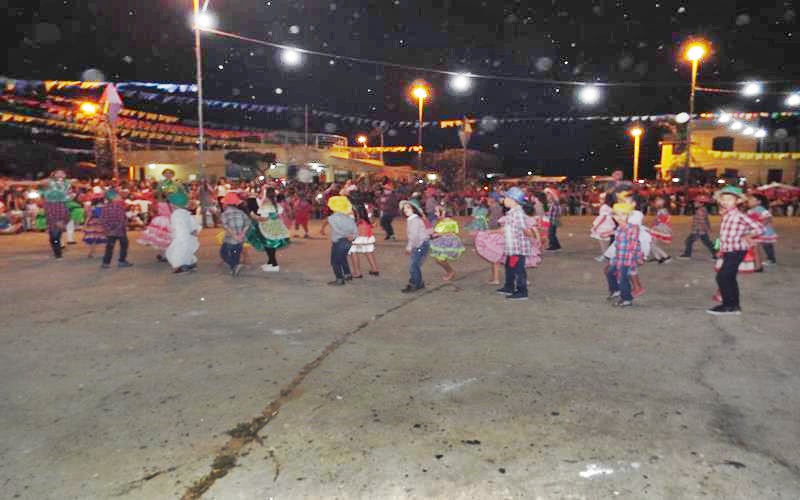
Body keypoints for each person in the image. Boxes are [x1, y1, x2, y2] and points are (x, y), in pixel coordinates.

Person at [706, 186, 764, 316]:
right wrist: (719, 248)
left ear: (737, 201)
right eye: (723, 199)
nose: (725, 201)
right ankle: (733, 305)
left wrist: (749, 236)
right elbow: (725, 234)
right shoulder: (726, 214)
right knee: (728, 277)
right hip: (729, 250)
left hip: (736, 250)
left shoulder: (739, 215)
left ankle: (729, 306)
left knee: (723, 277)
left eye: (729, 199)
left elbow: (760, 228)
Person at [496, 187, 534, 301]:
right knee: (510, 266)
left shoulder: (517, 213)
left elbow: (525, 229)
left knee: (518, 269)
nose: (504, 200)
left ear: (513, 200)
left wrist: (532, 237)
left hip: (518, 247)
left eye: (506, 197)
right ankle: (509, 286)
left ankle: (522, 291)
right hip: (512, 247)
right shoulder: (512, 212)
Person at [605, 202, 642, 308]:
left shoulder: (633, 228)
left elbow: (635, 244)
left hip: (627, 258)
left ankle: (626, 299)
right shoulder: (619, 227)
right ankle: (615, 290)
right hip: (618, 257)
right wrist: (607, 233)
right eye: (617, 214)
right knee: (610, 272)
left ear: (628, 215)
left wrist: (638, 257)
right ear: (613, 216)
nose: (620, 217)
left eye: (623, 214)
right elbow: (617, 234)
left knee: (622, 278)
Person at [253, 187, 290, 272]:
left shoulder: (266, 204)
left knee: (269, 246)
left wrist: (254, 216)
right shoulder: (275, 204)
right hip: (276, 225)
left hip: (267, 226)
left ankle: (274, 264)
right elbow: (279, 213)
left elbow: (264, 218)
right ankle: (270, 262)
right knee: (271, 246)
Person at [165, 191, 201, 274]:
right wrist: (194, 230)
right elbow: (193, 224)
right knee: (187, 252)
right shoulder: (185, 212)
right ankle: (191, 264)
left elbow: (178, 228)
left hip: (181, 238)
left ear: (174, 205)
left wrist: (177, 237)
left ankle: (181, 267)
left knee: (175, 253)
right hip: (189, 237)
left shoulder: (176, 214)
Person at [400, 198, 430, 293]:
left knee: (414, 266)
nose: (405, 210)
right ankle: (418, 282)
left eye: (408, 208)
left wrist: (409, 247)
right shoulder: (412, 219)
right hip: (419, 244)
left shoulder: (415, 220)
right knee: (415, 265)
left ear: (414, 208)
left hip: (419, 245)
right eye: (404, 208)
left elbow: (414, 236)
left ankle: (415, 284)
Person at [327, 196, 358, 286]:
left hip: (339, 241)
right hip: (348, 241)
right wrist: (353, 236)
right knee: (343, 259)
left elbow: (337, 230)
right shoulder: (349, 218)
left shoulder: (332, 218)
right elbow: (355, 230)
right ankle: (348, 274)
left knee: (335, 262)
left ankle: (339, 279)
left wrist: (346, 235)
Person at [99, 189, 133, 269]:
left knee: (109, 246)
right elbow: (122, 220)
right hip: (120, 230)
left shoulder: (104, 207)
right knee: (124, 244)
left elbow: (102, 219)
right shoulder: (119, 207)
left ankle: (106, 262)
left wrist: (108, 229)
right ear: (114, 197)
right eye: (118, 195)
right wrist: (116, 229)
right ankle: (122, 260)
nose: (119, 196)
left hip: (109, 231)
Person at [429, 209, 465, 282]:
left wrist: (439, 234)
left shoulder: (449, 221)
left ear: (443, 212)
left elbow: (453, 232)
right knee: (438, 260)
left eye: (437, 211)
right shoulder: (439, 220)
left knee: (440, 259)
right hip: (440, 242)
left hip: (448, 242)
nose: (435, 213)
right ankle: (450, 271)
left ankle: (451, 272)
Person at [41, 171, 71, 259]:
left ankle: (58, 254)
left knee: (56, 234)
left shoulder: (67, 182)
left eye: (62, 172)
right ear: (54, 175)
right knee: (53, 236)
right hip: (50, 206)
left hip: (61, 206)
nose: (61, 174)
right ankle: (57, 251)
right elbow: (33, 183)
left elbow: (79, 184)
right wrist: (11, 183)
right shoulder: (48, 181)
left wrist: (86, 185)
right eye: (58, 172)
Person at [220, 192, 249, 277]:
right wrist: (241, 234)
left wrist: (235, 236)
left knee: (223, 253)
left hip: (230, 239)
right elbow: (247, 224)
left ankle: (234, 266)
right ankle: (234, 268)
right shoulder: (241, 213)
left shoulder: (224, 214)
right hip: (240, 240)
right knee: (236, 255)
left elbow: (227, 227)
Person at [349, 204, 380, 278]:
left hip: (357, 234)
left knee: (353, 252)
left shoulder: (352, 208)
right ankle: (375, 269)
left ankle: (357, 272)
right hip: (367, 234)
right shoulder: (367, 207)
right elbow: (373, 223)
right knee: (368, 252)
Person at [746, 193, 778, 268]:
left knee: (767, 245)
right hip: (757, 231)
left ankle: (771, 259)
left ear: (759, 202)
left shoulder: (759, 209)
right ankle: (756, 258)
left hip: (765, 231)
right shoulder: (751, 210)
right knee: (757, 245)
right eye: (749, 199)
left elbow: (768, 217)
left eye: (751, 200)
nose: (749, 201)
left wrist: (761, 225)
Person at [679, 195, 715, 260]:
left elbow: (702, 222)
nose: (694, 203)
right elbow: (706, 220)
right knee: (708, 243)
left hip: (698, 231)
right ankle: (716, 255)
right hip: (700, 231)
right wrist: (708, 228)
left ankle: (687, 255)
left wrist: (701, 231)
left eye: (696, 202)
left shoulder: (700, 211)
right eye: (695, 202)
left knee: (688, 241)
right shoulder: (703, 209)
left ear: (702, 203)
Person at [590, 192, 615, 262]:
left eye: (602, 198)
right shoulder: (610, 205)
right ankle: (606, 255)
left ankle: (604, 255)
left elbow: (603, 217)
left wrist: (596, 226)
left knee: (602, 241)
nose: (600, 199)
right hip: (609, 223)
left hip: (604, 224)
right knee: (606, 241)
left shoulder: (604, 206)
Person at [648, 196, 673, 263]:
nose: (655, 202)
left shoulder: (663, 210)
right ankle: (658, 257)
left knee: (652, 243)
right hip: (659, 227)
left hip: (660, 228)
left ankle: (666, 257)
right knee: (652, 243)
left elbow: (662, 220)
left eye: (657, 201)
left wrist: (653, 225)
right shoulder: (662, 210)